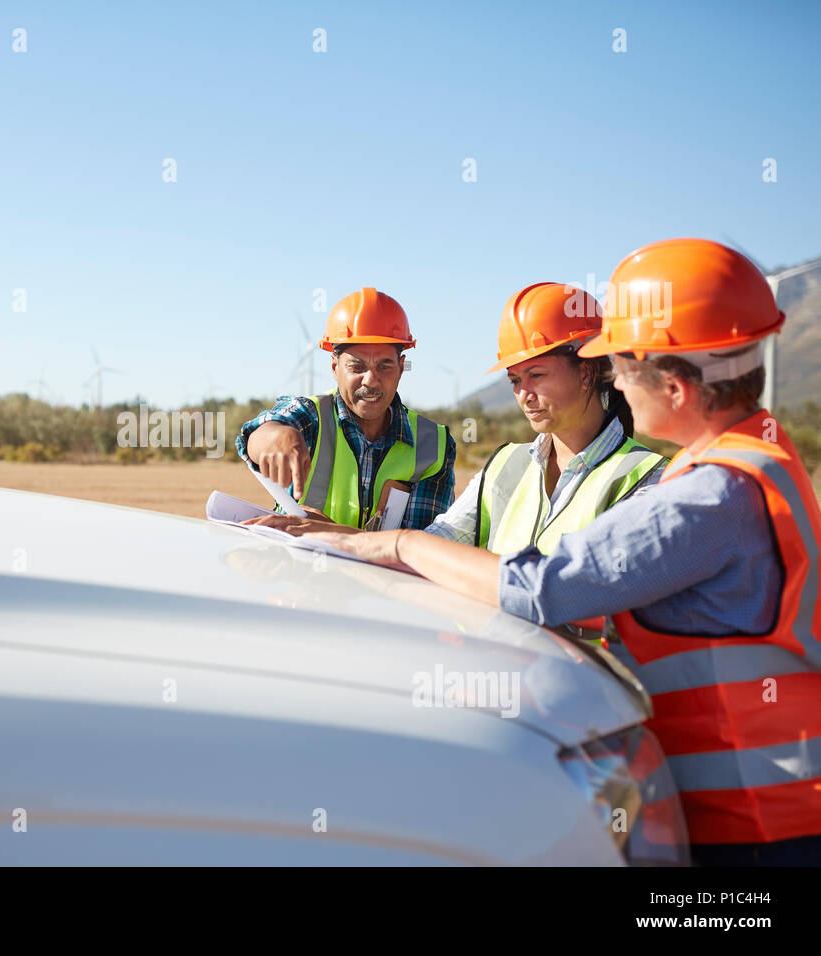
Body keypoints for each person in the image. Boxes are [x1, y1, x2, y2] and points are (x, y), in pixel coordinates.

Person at [302, 239, 821, 865]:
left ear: (677, 384)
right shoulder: (742, 461)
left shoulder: (709, 492)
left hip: (757, 820)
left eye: (623, 363)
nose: (620, 379)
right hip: (726, 799)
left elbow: (542, 589)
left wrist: (395, 542)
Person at [424, 281, 666, 554]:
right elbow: (440, 539)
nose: (524, 394)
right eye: (515, 380)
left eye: (537, 375)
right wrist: (384, 544)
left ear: (586, 373)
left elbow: (592, 586)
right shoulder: (503, 465)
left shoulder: (647, 477)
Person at [237, 287, 456, 531]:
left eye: (384, 366)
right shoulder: (311, 416)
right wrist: (274, 435)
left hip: (382, 572)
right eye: (357, 366)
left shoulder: (434, 446)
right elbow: (253, 437)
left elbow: (422, 549)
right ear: (334, 367)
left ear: (401, 367)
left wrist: (332, 532)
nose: (370, 380)